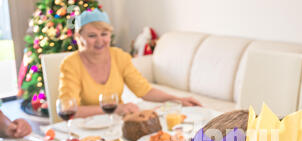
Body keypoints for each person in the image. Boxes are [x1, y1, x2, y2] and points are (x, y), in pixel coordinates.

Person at [58, 9, 201, 118]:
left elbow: (145, 90)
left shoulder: (119, 56)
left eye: (104, 34)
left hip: (117, 124)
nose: (100, 41)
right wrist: (116, 108)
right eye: (91, 36)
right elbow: (69, 110)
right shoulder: (70, 64)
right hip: (83, 129)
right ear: (79, 37)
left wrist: (177, 99)